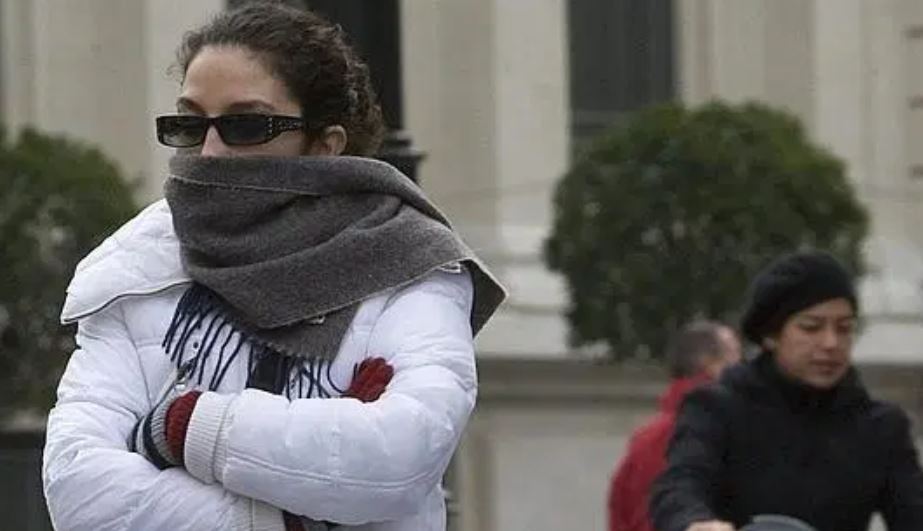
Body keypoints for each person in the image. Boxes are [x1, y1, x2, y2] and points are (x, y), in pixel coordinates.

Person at [41, 3, 505, 531]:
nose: (210, 153)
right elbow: (80, 492)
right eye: (190, 124)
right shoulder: (136, 267)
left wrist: (185, 427)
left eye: (245, 125)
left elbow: (399, 460)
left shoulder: (412, 265)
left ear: (325, 146)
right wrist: (292, 517)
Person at [650, 251, 923, 531]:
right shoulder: (716, 409)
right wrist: (694, 523)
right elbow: (680, 485)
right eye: (811, 328)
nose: (831, 343)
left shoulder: (881, 427)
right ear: (771, 335)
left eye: (844, 329)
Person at [608, 321, 741, 531]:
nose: (742, 367)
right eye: (734, 355)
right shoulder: (693, 429)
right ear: (710, 363)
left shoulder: (651, 433)